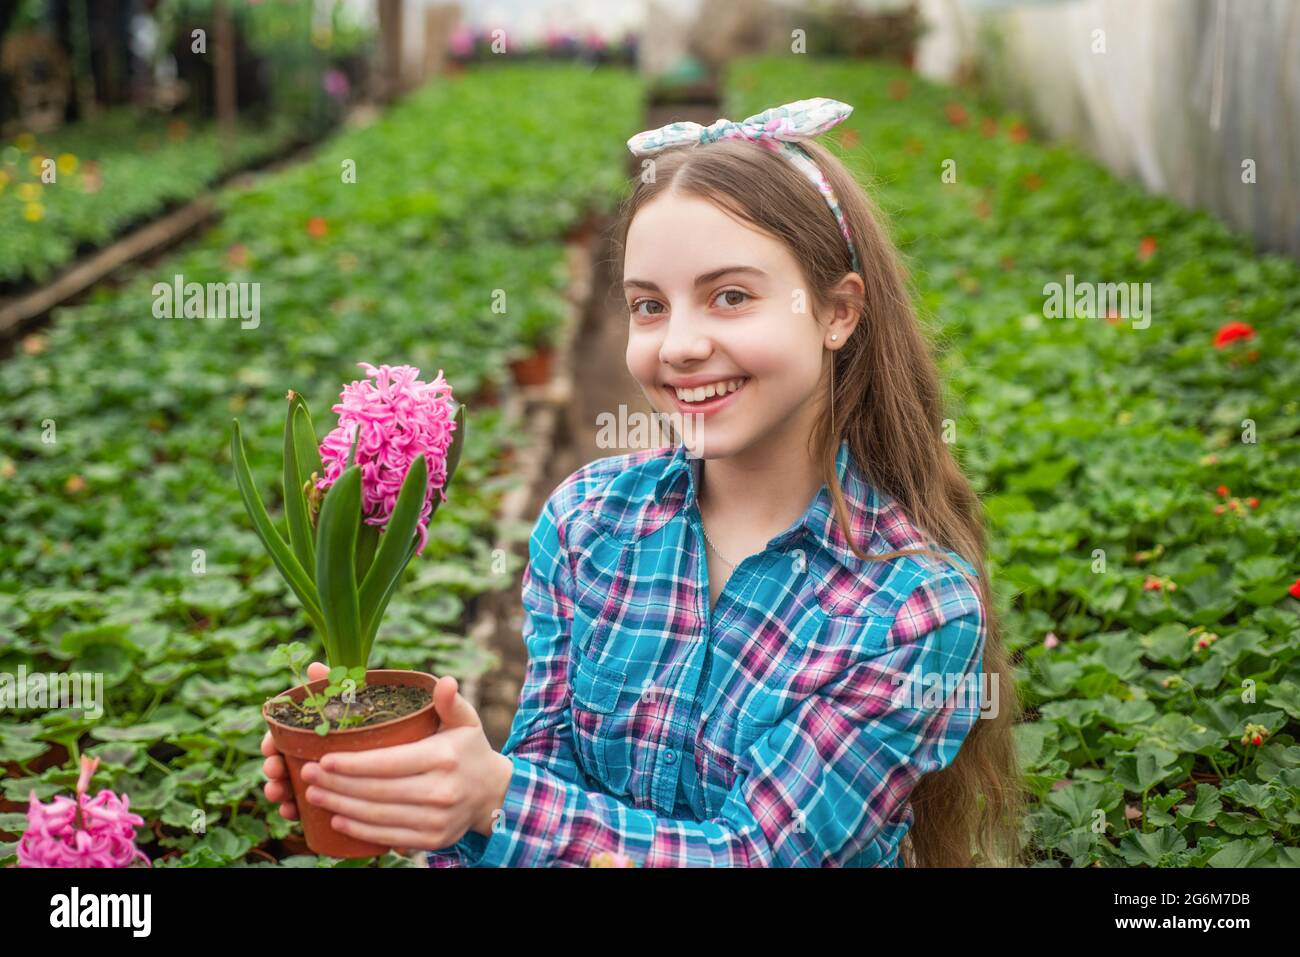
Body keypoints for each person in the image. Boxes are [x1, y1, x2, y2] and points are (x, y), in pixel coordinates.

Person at [262, 97, 1023, 867]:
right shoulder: (588, 521)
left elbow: (754, 853)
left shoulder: (914, 609)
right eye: (649, 306)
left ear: (837, 311)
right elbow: (547, 779)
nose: (681, 345)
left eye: (731, 295)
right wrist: (420, 789)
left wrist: (496, 797)